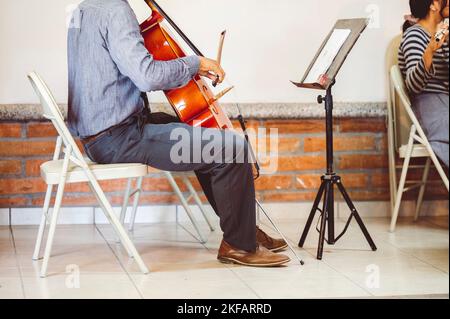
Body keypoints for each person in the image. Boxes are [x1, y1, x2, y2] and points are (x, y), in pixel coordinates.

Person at [67, 0, 290, 267]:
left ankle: (241, 228)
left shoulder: (83, 9)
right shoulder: (116, 10)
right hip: (120, 137)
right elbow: (146, 76)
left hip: (98, 134)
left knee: (200, 130)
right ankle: (239, 245)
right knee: (232, 148)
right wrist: (194, 64)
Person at [399, 0, 449, 168]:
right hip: (432, 107)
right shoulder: (414, 35)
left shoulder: (444, 34)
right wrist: (429, 51)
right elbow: (414, 86)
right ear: (434, 5)